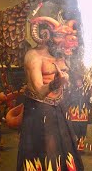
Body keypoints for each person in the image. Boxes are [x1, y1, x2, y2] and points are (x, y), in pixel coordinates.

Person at [16, 16, 83, 171]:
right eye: (60, 37)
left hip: (59, 107)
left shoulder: (62, 56)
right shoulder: (34, 56)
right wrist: (54, 84)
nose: (67, 43)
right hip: (39, 110)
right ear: (46, 35)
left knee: (66, 148)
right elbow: (40, 91)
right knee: (47, 152)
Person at [68, 76, 88, 151]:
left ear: (82, 82)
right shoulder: (73, 91)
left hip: (83, 113)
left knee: (83, 129)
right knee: (75, 129)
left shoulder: (86, 90)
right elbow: (70, 100)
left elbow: (89, 101)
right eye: (77, 81)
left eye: (79, 81)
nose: (78, 82)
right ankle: (75, 145)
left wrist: (90, 99)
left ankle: (81, 145)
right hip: (74, 113)